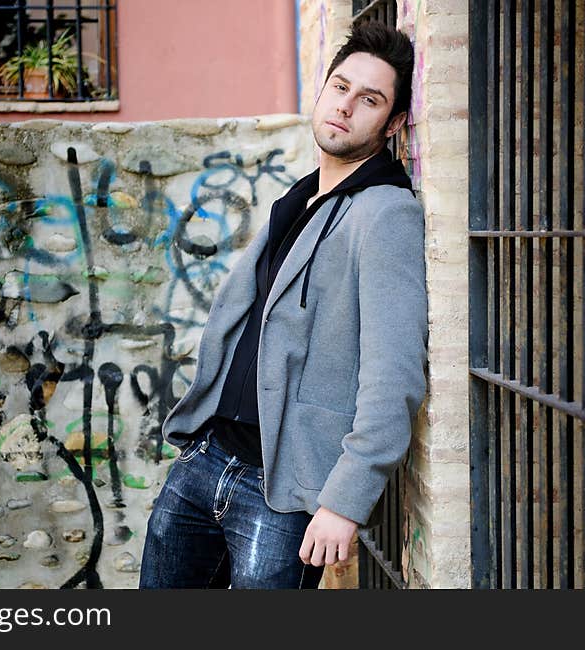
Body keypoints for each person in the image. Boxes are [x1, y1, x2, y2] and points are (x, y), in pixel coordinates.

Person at [139, 20, 428, 589]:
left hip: (281, 488)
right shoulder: (299, 199)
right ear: (322, 92)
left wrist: (345, 500)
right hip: (204, 460)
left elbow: (393, 374)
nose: (346, 107)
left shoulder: (385, 214)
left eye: (369, 99)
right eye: (340, 87)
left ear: (393, 124)